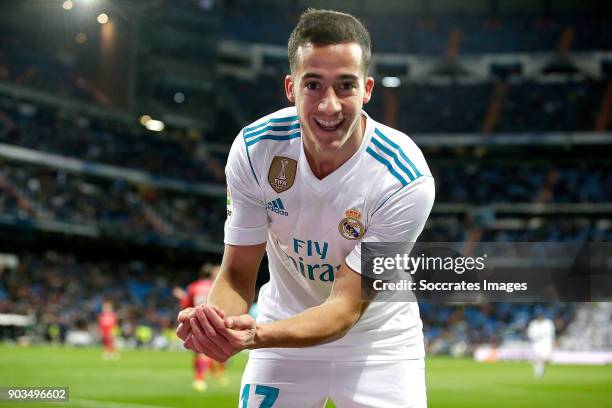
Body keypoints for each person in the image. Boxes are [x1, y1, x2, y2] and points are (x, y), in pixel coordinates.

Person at [177, 9, 435, 407]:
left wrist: (255, 335)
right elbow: (237, 274)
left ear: (367, 89)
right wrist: (220, 324)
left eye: (345, 86)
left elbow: (345, 307)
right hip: (283, 338)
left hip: (378, 346)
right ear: (290, 87)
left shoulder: (403, 177)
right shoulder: (254, 149)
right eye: (313, 84)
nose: (330, 106)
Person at [173, 263, 229, 391]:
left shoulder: (193, 287)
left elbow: (186, 305)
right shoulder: (216, 287)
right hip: (213, 320)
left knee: (200, 352)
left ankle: (204, 377)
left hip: (195, 321)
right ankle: (202, 379)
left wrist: (182, 298)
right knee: (214, 350)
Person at [527, 313, 556, 379]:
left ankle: (541, 368)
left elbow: (552, 334)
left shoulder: (548, 323)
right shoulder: (533, 324)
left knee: (547, 359)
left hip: (546, 344)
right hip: (536, 344)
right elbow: (530, 334)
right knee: (537, 358)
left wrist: (553, 343)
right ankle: (538, 371)